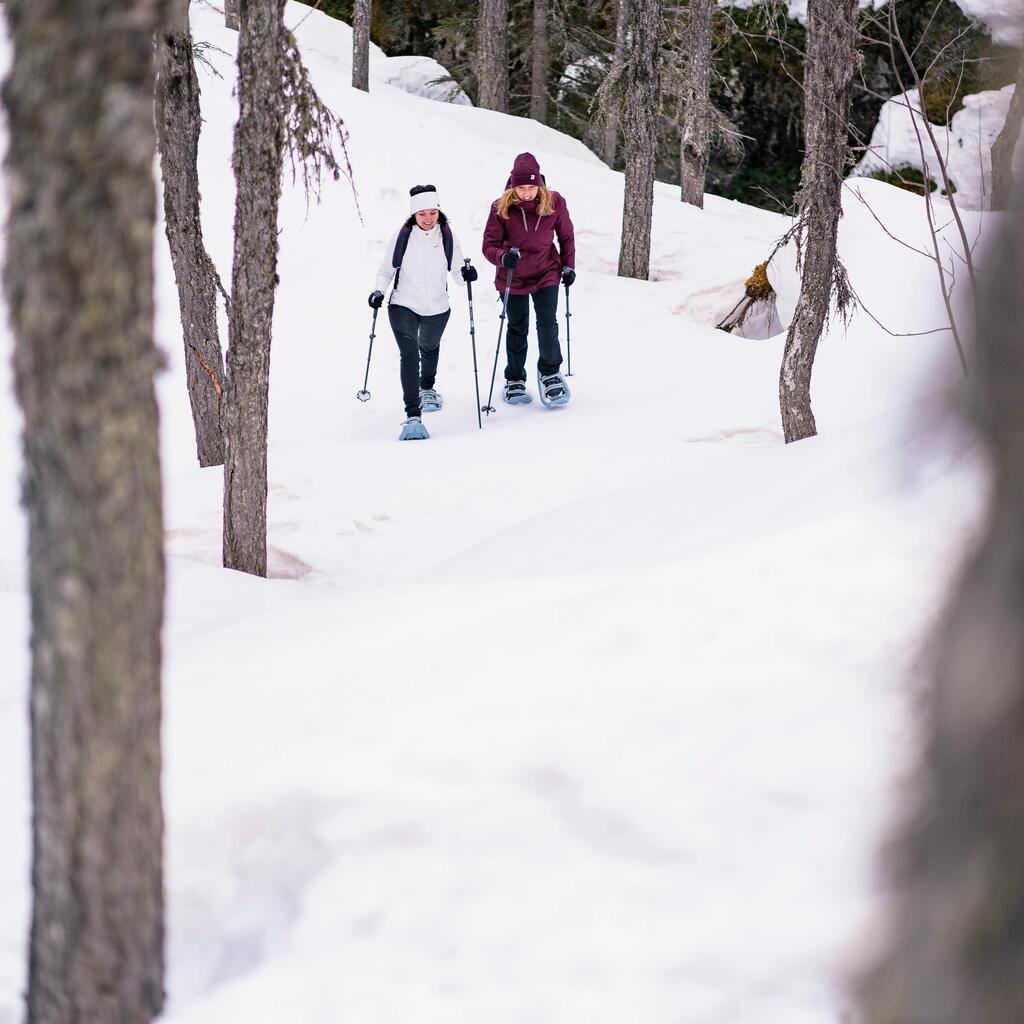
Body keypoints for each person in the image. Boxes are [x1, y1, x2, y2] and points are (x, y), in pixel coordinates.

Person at [369, 184, 477, 441]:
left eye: (432, 213)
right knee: (409, 354)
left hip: (438, 307)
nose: (428, 219)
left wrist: (467, 274)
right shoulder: (402, 236)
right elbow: (386, 269)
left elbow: (458, 272)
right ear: (413, 215)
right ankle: (413, 415)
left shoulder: (448, 237)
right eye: (422, 214)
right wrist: (378, 291)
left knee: (429, 347)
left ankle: (427, 387)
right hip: (403, 304)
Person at [481, 152, 576, 407]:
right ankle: (514, 378)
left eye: (531, 187)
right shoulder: (500, 207)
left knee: (547, 323)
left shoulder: (554, 202)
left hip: (546, 271)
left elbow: (566, 236)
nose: (526, 193)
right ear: (513, 186)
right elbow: (488, 245)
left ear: (539, 185)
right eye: (521, 187)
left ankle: (550, 372)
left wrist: (568, 266)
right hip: (513, 276)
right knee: (517, 325)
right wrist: (503, 257)